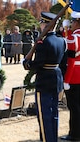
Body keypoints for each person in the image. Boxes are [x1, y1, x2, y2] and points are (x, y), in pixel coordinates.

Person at [22, 12, 67, 142]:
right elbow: (64, 64)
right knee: (54, 113)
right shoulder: (61, 41)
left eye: (42, 23)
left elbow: (38, 64)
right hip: (56, 79)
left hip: (44, 81)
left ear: (46, 25)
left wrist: (26, 64)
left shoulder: (43, 42)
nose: (40, 25)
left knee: (44, 115)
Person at [61, 9, 80, 141]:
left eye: (73, 21)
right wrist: (66, 30)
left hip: (74, 75)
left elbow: (66, 46)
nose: (72, 23)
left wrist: (65, 29)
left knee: (74, 107)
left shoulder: (75, 37)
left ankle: (75, 134)